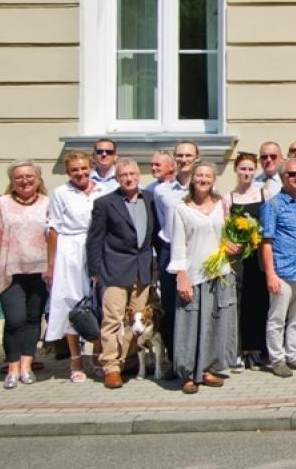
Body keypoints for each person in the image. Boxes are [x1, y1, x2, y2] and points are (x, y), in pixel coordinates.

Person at [85, 158, 159, 389]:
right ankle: (111, 367)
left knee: (136, 320)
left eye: (133, 174)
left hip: (142, 269)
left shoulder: (149, 199)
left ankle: (127, 360)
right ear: (117, 178)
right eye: (123, 175)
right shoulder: (105, 203)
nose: (129, 178)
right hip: (114, 269)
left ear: (139, 175)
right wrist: (95, 271)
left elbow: (154, 234)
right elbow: (95, 239)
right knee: (113, 319)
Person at [169, 162, 238, 393]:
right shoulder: (182, 209)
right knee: (190, 324)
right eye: (199, 175)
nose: (203, 179)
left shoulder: (222, 205)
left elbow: (224, 235)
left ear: (214, 179)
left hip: (220, 271)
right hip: (194, 273)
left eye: (208, 176)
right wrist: (182, 276)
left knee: (216, 323)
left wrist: (230, 245)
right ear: (192, 178)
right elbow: (178, 246)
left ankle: (208, 369)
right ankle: (189, 373)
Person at [0, 161, 50, 389]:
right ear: (12, 180)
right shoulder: (0, 205)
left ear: (39, 179)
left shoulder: (48, 204)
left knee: (33, 319)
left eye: (30, 176)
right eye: (19, 177)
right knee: (14, 320)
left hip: (40, 272)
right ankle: (12, 367)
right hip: (10, 271)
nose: (25, 180)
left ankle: (26, 365)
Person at [259, 161, 296, 378]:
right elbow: (266, 242)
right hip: (282, 271)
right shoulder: (273, 205)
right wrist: (271, 274)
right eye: (292, 174)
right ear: (283, 177)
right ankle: (277, 359)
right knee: (277, 319)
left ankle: (293, 354)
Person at [45, 151, 99, 383]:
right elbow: (53, 228)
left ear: (91, 168)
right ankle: (76, 360)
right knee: (71, 304)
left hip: (97, 249)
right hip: (70, 251)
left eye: (84, 168)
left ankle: (97, 357)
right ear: (68, 172)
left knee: (97, 303)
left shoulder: (104, 190)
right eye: (75, 169)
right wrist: (51, 262)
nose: (80, 173)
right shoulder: (60, 193)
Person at [228, 153, 271, 369]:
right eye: (242, 169)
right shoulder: (229, 198)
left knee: (258, 301)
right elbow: (224, 230)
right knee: (239, 301)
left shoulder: (264, 193)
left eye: (250, 169)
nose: (246, 173)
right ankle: (239, 349)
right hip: (239, 257)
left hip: (259, 255)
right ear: (236, 170)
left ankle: (256, 348)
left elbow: (271, 225)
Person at [146, 149, 186, 365]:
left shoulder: (196, 185)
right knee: (170, 304)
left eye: (157, 164)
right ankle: (171, 357)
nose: (152, 168)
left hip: (193, 250)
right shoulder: (156, 191)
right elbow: (156, 225)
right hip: (168, 249)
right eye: (152, 164)